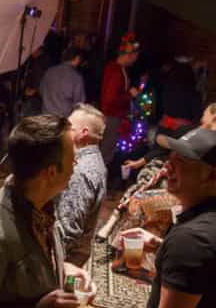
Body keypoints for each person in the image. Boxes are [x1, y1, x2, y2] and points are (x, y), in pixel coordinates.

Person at [0, 114, 90, 308]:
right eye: (72, 161)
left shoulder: (42, 205)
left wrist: (62, 268)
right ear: (51, 172)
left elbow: (20, 276)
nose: (75, 167)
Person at [117, 127, 216, 308]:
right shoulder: (197, 234)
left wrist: (180, 247)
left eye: (182, 161)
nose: (167, 166)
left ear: (212, 176)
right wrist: (161, 246)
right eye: (170, 158)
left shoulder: (192, 240)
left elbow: (196, 247)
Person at [56, 104, 107, 266]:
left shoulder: (79, 171)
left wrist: (53, 262)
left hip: (67, 256)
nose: (63, 130)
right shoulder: (94, 159)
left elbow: (68, 228)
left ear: (83, 133)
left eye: (68, 127)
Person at [101, 33, 141, 167]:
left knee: (106, 151)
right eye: (135, 56)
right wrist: (130, 95)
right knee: (106, 153)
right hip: (111, 117)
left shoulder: (117, 68)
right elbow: (110, 99)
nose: (135, 60)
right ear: (128, 55)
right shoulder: (116, 71)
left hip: (112, 116)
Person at [39, 47, 86, 117]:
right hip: (64, 118)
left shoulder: (49, 71)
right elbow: (79, 103)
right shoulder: (76, 77)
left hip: (46, 116)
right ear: (77, 58)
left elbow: (41, 91)